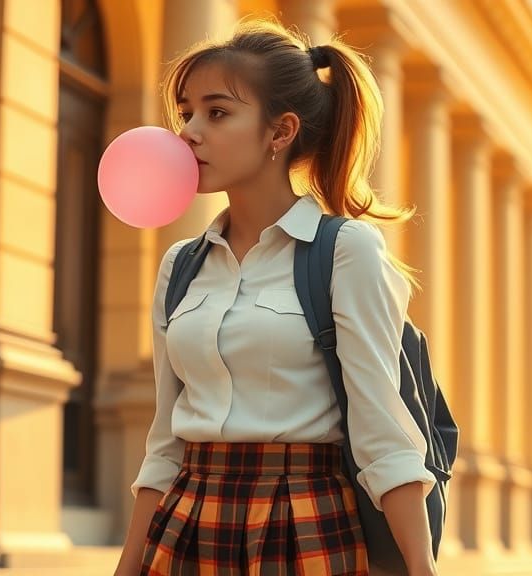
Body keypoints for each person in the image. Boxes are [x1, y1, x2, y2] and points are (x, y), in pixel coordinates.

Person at [112, 18, 440, 576]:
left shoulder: (346, 252)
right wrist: (128, 565)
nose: (188, 132)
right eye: (186, 112)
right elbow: (166, 438)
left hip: (305, 522)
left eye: (216, 113)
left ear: (280, 131)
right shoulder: (180, 266)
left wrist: (421, 568)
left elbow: (382, 428)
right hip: (187, 523)